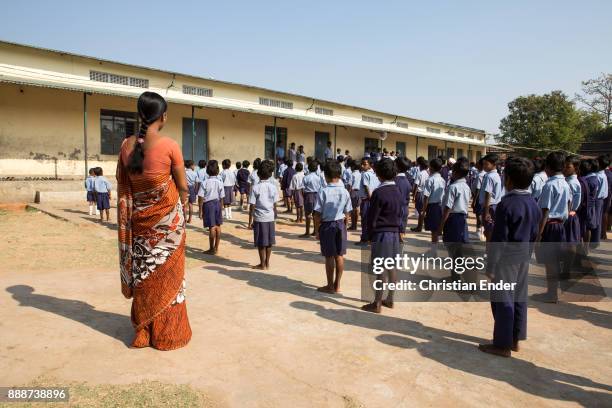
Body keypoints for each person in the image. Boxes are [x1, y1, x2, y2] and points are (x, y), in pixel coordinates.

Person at [116, 91, 191, 350]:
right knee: (169, 277)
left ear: (140, 116)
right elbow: (182, 186)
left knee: (145, 275)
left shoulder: (126, 146)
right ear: (164, 116)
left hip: (139, 227)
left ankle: (144, 332)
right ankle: (167, 333)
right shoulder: (170, 146)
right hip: (168, 227)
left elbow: (127, 187)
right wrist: (184, 207)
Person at [479, 157, 540, 358]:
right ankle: (515, 338)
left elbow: (499, 238)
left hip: (506, 259)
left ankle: (502, 344)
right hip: (524, 256)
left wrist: (491, 265)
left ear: (509, 181)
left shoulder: (507, 204)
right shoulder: (534, 203)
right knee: (519, 297)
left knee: (502, 299)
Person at [362, 158, 401, 314]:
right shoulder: (397, 190)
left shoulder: (378, 192)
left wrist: (370, 236)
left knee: (380, 269)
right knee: (391, 267)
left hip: (381, 233)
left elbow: (372, 218)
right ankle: (390, 298)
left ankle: (377, 303)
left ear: (378, 173)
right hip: (395, 233)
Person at [535, 152, 571, 303]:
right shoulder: (566, 183)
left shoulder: (550, 185)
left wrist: (539, 234)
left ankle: (552, 294)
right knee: (554, 261)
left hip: (549, 226)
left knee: (550, 262)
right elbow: (569, 205)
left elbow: (545, 211)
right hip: (560, 225)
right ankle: (552, 292)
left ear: (548, 167)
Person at [313, 160, 352, 293]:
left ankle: (330, 286)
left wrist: (317, 230)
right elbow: (347, 213)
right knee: (339, 255)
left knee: (329, 256)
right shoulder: (345, 192)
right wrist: (345, 226)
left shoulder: (323, 191)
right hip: (340, 224)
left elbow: (317, 213)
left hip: (327, 225)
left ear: (326, 176)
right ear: (340, 175)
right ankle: (337, 285)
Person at [248, 160, 278, 270]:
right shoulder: (273, 187)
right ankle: (267, 263)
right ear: (270, 174)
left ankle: (262, 264)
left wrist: (251, 220)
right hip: (270, 217)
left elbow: (252, 205)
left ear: (258, 174)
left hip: (259, 217)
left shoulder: (255, 188)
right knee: (269, 242)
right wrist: (274, 215)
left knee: (261, 242)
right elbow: (275, 204)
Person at [438, 158, 471, 245]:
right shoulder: (466, 187)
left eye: (453, 171)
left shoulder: (453, 187)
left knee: (452, 245)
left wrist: (441, 226)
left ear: (455, 173)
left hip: (452, 219)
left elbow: (447, 208)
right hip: (462, 218)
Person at [199, 160, 224, 255]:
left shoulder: (205, 182)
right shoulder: (220, 182)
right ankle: (216, 248)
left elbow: (200, 197)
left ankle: (211, 248)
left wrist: (200, 210)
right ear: (217, 171)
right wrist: (221, 208)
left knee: (212, 227)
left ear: (207, 171)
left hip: (208, 205)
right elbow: (222, 197)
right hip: (217, 203)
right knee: (218, 226)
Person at [563, 155, 582, 281]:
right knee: (569, 243)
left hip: (570, 214)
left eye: (568, 166)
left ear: (575, 168)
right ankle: (566, 269)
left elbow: (572, 202)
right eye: (564, 166)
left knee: (570, 243)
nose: (565, 168)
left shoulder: (572, 182)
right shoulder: (568, 181)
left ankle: (567, 270)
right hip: (569, 214)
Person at [479, 154, 503, 241]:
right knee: (490, 229)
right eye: (483, 164)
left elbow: (488, 194)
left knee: (489, 230)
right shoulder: (496, 175)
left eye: (486, 164)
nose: (484, 166)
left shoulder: (489, 176)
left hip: (490, 207)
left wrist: (486, 211)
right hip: (494, 205)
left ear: (494, 164)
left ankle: (489, 251)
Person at [357, 157, 380, 245]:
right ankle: (370, 238)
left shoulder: (365, 174)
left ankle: (364, 239)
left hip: (367, 199)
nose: (362, 165)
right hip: (372, 199)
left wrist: (370, 199)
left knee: (365, 220)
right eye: (362, 164)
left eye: (365, 164)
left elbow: (367, 187)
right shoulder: (374, 174)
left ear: (370, 165)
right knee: (370, 219)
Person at [422, 158, 446, 243]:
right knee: (437, 228)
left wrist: (424, 210)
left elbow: (426, 197)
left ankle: (434, 250)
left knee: (434, 230)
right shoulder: (442, 180)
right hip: (440, 206)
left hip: (432, 207)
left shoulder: (429, 180)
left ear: (430, 167)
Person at [302, 160, 324, 237]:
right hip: (317, 195)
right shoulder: (318, 178)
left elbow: (303, 189)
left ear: (308, 168)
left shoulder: (306, 177)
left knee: (308, 214)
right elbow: (321, 188)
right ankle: (315, 231)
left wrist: (304, 196)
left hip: (308, 195)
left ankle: (307, 232)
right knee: (316, 214)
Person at [394, 157, 412, 240]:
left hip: (396, 210)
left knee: (397, 235)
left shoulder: (395, 180)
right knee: (401, 232)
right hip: (405, 208)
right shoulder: (407, 180)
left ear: (397, 166)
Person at [411, 157, 429, 232]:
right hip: (426, 193)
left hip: (420, 193)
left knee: (420, 211)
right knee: (422, 210)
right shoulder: (428, 174)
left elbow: (416, 186)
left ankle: (419, 227)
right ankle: (420, 226)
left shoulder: (420, 174)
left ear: (421, 166)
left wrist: (413, 195)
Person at [594, 155, 610, 243]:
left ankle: (595, 239)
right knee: (598, 219)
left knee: (595, 220)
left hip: (597, 199)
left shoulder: (597, 176)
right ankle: (596, 238)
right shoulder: (603, 174)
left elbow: (595, 190)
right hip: (601, 199)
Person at [349, 160, 362, 231]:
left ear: (353, 167)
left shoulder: (352, 174)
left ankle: (353, 225)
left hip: (353, 192)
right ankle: (355, 225)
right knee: (357, 209)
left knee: (353, 210)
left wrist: (348, 193)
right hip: (359, 192)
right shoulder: (360, 174)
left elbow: (350, 185)